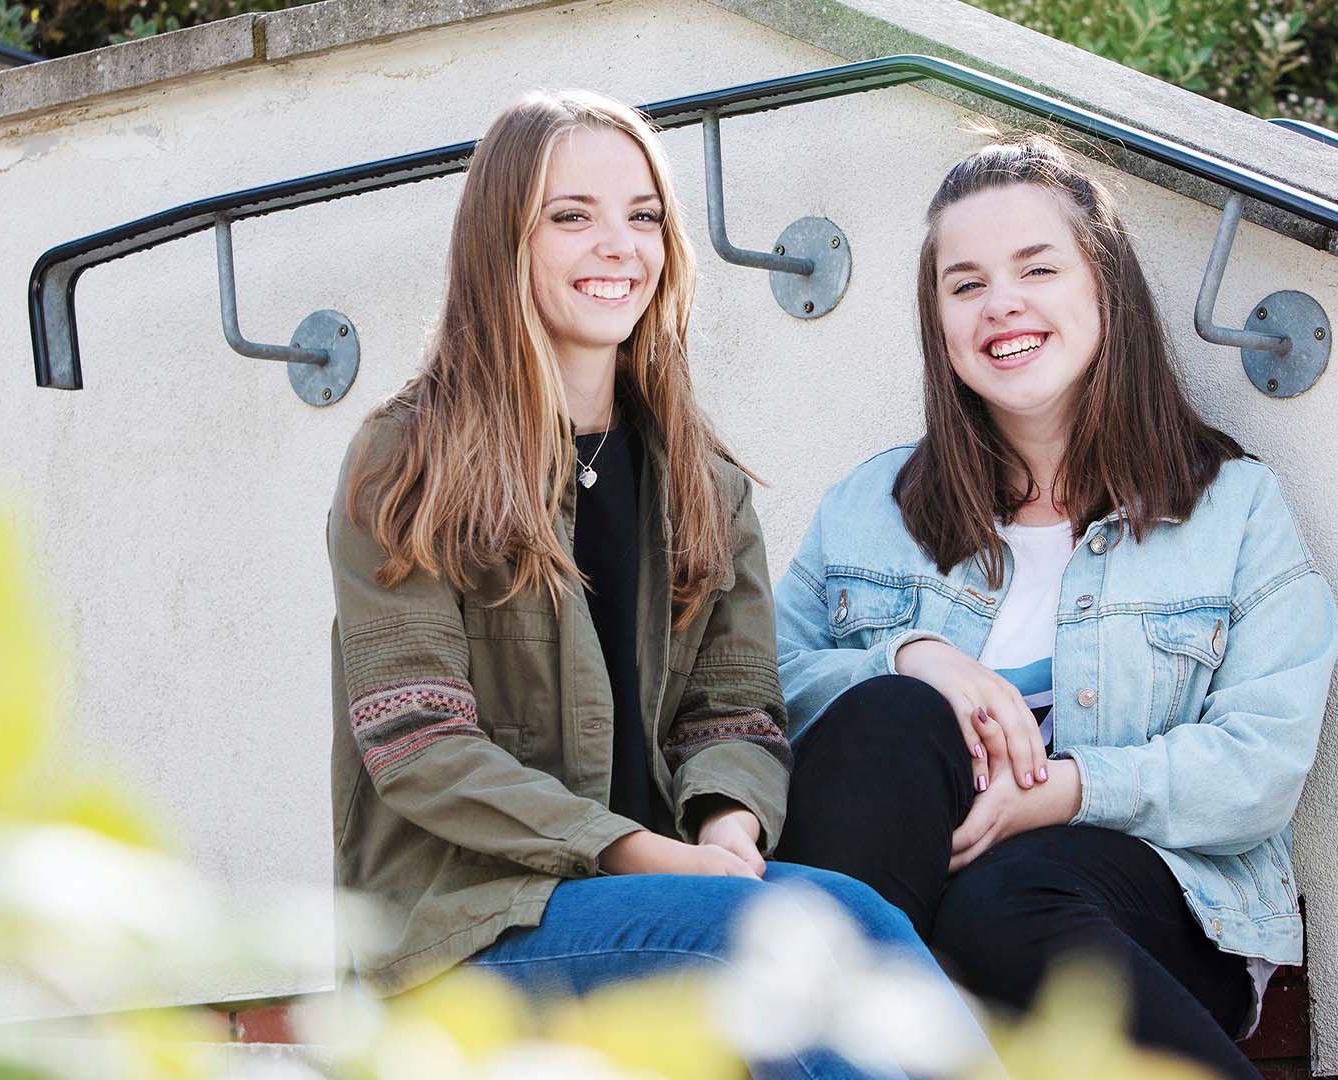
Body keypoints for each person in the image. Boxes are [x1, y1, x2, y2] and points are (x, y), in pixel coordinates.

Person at [326, 90, 979, 1079]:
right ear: (505, 237)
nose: (617, 246)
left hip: (671, 895)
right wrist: (644, 852)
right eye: (571, 215)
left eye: (643, 217)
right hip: (470, 925)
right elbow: (419, 747)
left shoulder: (700, 479)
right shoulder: (411, 460)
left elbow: (735, 712)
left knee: (856, 917)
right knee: (780, 939)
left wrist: (727, 820)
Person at [771, 133, 1338, 1080]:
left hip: (1135, 911)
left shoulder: (1231, 506)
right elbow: (752, 700)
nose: (1003, 304)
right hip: (901, 894)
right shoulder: (867, 510)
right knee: (896, 712)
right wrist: (911, 657)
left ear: (1103, 289)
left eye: (1038, 267)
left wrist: (1065, 791)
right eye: (966, 284)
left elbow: (1261, 764)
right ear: (940, 324)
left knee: (1009, 890)